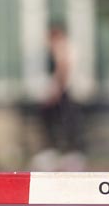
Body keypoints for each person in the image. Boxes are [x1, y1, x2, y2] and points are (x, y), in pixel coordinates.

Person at [34, 24, 86, 171]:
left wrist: (57, 91)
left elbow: (63, 68)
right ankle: (60, 153)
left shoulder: (62, 47)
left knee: (65, 123)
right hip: (65, 91)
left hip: (66, 92)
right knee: (61, 122)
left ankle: (68, 155)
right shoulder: (64, 47)